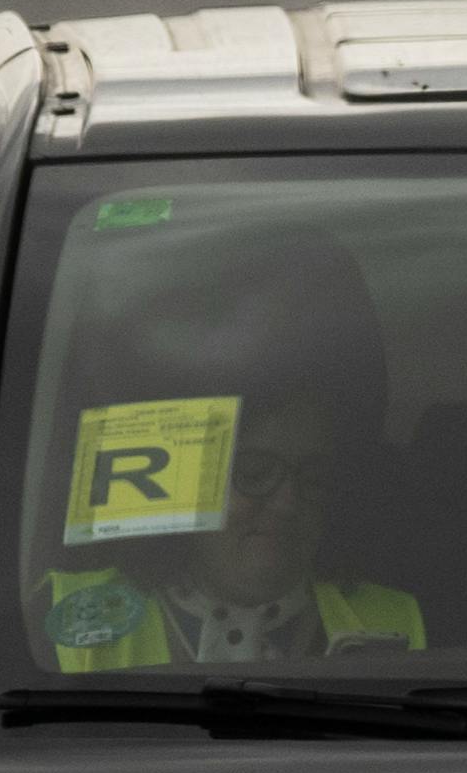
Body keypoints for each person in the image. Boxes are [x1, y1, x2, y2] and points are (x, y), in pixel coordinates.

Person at [32, 285, 419, 670]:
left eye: (313, 477)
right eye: (254, 472)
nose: (287, 502)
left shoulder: (403, 621)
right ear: (187, 477)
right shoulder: (58, 618)